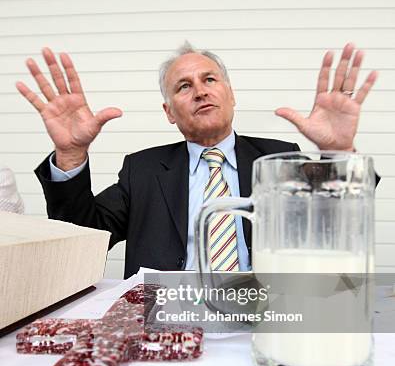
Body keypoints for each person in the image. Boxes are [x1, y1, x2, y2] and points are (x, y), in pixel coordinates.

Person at [15, 42, 378, 277]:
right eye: (184, 86)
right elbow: (83, 238)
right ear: (169, 111)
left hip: (265, 314)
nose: (200, 90)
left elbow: (339, 223)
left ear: (231, 94)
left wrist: (340, 153)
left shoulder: (278, 158)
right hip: (163, 322)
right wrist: (71, 154)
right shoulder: (141, 170)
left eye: (209, 79)